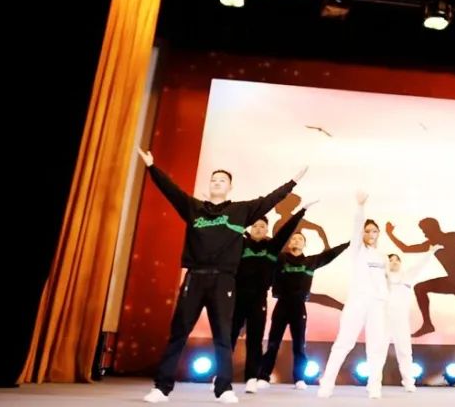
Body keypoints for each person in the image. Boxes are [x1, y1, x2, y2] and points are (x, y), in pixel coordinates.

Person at [137, 148, 305, 404]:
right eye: (213, 180)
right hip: (195, 278)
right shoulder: (194, 208)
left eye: (222, 180)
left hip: (224, 280)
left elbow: (270, 200)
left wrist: (292, 182)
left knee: (223, 336)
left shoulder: (240, 211)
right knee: (179, 332)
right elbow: (171, 191)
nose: (217, 183)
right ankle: (162, 388)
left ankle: (224, 388)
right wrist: (152, 167)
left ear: (229, 187)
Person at [233, 203, 311, 394]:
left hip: (260, 299)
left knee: (256, 340)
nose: (258, 229)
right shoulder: (241, 244)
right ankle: (222, 376)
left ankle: (252, 378)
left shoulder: (272, 248)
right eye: (255, 226)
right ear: (250, 228)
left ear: (267, 230)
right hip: (238, 297)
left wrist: (302, 210)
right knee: (229, 337)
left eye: (262, 226)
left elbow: (286, 231)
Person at [317, 192, 389, 399]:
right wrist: (360, 207)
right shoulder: (357, 250)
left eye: (374, 231)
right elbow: (357, 227)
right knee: (343, 343)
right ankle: (326, 384)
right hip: (357, 302)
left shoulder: (382, 256)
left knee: (376, 347)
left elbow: (385, 282)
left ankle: (374, 386)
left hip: (377, 305)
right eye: (367, 231)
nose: (371, 234)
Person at [258, 231, 350, 389]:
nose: (296, 240)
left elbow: (330, 255)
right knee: (273, 343)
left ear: (304, 244)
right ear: (289, 243)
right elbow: (269, 248)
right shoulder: (280, 259)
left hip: (299, 306)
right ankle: (263, 377)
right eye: (293, 238)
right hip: (282, 305)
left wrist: (348, 244)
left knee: (299, 345)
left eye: (300, 239)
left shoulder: (310, 262)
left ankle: (299, 379)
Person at [385, 218, 455, 337]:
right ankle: (427, 325)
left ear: (432, 229)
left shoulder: (452, 237)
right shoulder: (432, 244)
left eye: (424, 230)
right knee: (420, 288)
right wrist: (390, 234)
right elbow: (406, 249)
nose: (424, 234)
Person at [385, 247, 438, 391]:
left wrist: (430, 252)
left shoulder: (407, 277)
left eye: (397, 260)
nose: (394, 262)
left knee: (405, 352)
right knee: (379, 352)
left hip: (401, 321)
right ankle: (374, 383)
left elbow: (419, 265)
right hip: (384, 320)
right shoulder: (381, 278)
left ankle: (408, 382)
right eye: (391, 260)